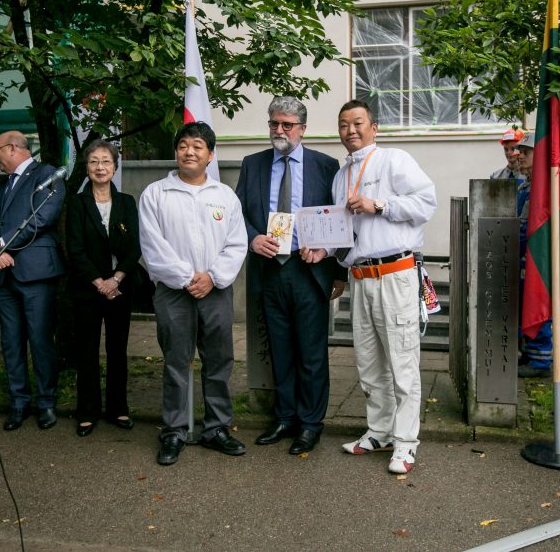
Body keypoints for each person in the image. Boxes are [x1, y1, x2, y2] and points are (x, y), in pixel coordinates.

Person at [304, 100, 437, 474]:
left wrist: (377, 204)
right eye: (343, 124)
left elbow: (426, 203)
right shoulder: (341, 176)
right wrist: (321, 249)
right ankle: (380, 431)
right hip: (360, 277)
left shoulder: (394, 160)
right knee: (368, 362)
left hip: (395, 273)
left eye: (358, 123)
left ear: (374, 127)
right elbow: (342, 229)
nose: (350, 131)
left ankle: (407, 443)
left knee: (402, 361)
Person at [235, 96, 345, 455]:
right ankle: (285, 418)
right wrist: (253, 238)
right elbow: (239, 214)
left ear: (302, 129)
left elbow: (341, 219)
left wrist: (337, 267)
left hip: (309, 270)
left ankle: (311, 424)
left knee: (311, 354)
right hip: (269, 270)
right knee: (280, 350)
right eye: (273, 124)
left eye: (286, 125)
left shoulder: (326, 166)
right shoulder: (253, 165)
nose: (279, 131)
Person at [138, 121, 248, 466]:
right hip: (173, 292)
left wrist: (212, 278)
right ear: (176, 152)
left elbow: (237, 243)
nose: (190, 151)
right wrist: (188, 278)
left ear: (210, 155)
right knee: (175, 362)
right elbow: (152, 246)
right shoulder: (156, 194)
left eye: (198, 146)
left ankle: (216, 427)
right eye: (184, 145)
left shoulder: (224, 196)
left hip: (216, 292)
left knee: (218, 361)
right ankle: (173, 430)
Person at [0, 130, 66, 431]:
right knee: (11, 342)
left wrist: (2, 244)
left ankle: (46, 403)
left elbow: (42, 217)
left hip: (36, 273)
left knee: (41, 341)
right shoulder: (0, 186)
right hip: (4, 275)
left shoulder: (48, 175)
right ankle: (18, 402)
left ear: (13, 148)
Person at [65, 140, 141, 437]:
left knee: (117, 351)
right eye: (94, 161)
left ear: (114, 166)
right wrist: (100, 282)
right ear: (87, 167)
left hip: (120, 289)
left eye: (106, 161)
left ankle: (118, 409)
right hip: (88, 289)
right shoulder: (77, 203)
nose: (100, 167)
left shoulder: (126, 203)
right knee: (87, 352)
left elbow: (135, 247)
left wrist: (116, 279)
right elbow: (75, 248)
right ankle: (87, 411)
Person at [514, 132, 553, 378]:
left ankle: (540, 361)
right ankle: (529, 354)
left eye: (526, 152)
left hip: (535, 259)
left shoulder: (543, 188)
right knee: (525, 307)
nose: (520, 157)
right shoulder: (526, 185)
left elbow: (528, 227)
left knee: (536, 306)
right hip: (522, 257)